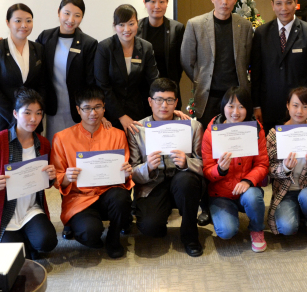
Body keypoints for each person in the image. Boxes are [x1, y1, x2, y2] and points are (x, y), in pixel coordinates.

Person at [50, 86, 134, 258]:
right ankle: (84, 227)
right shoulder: (62, 138)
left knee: (122, 197)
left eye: (97, 107)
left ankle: (114, 238)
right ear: (78, 110)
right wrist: (66, 177)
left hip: (108, 193)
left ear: (104, 108)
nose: (93, 113)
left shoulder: (117, 135)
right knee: (89, 234)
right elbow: (57, 177)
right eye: (87, 108)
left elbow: (124, 173)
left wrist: (126, 173)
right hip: (79, 198)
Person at [0, 88, 58, 258]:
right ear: (15, 113)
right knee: (11, 256)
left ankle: (28, 239)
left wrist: (51, 177)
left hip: (31, 208)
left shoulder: (43, 143)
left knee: (47, 241)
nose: (34, 118)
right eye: (27, 113)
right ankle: (23, 241)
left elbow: (45, 182)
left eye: (38, 113)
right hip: (4, 211)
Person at [128, 78, 204, 257]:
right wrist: (147, 167)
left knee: (187, 181)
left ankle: (190, 236)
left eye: (169, 100)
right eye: (159, 100)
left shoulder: (192, 126)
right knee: (151, 227)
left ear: (176, 102)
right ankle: (161, 214)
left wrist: (187, 163)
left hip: (182, 180)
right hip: (153, 184)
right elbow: (132, 172)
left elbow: (205, 164)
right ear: (150, 101)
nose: (164, 105)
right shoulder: (138, 130)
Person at [201, 87, 269, 252]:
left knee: (253, 197)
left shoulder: (256, 130)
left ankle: (257, 230)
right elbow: (206, 169)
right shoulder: (211, 132)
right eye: (231, 106)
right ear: (223, 107)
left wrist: (248, 181)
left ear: (248, 108)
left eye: (241, 107)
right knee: (226, 231)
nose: (235, 112)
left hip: (247, 190)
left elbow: (262, 164)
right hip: (220, 193)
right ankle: (217, 212)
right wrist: (220, 170)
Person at [180, 0, 253, 129]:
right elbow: (187, 60)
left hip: (236, 97)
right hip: (208, 96)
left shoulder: (245, 26)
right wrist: (200, 79)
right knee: (209, 138)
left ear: (235, 0)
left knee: (236, 138)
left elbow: (247, 59)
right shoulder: (196, 24)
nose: (224, 2)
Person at [251, 0, 307, 131]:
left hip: (300, 109)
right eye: (279, 3)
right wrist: (256, 105)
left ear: (296, 3)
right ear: (272, 5)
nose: (284, 8)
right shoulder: (261, 33)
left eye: (288, 2)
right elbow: (256, 73)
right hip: (269, 107)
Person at [266, 87, 307, 247]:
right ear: (287, 105)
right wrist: (285, 168)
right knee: (287, 228)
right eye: (295, 105)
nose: (299, 111)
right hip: (286, 191)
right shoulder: (275, 134)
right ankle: (301, 214)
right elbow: (269, 170)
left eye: (305, 106)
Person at [36, 0, 99, 143]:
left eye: (77, 15)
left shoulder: (89, 43)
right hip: (51, 108)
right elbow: (29, 57)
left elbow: (91, 81)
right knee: (54, 146)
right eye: (67, 13)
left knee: (76, 148)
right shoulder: (46, 37)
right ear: (58, 12)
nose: (71, 20)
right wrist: (1, 43)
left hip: (78, 110)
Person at [0, 3, 46, 139]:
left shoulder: (38, 49)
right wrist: (15, 116)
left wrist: (32, 114)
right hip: (1, 121)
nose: (24, 25)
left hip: (31, 123)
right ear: (8, 23)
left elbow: (42, 84)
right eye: (18, 21)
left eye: (28, 21)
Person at [94, 4, 160, 133]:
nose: (127, 29)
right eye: (121, 25)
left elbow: (154, 81)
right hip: (110, 114)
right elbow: (102, 86)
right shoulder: (104, 48)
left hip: (138, 111)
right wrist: (121, 116)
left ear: (137, 23)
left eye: (131, 23)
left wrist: (165, 102)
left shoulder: (146, 47)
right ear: (115, 26)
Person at [137, 0, 185, 110]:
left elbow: (181, 62)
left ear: (167, 3)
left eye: (161, 1)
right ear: (145, 3)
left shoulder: (177, 28)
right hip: (142, 92)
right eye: (152, 1)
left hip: (168, 92)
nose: (157, 6)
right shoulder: (136, 28)